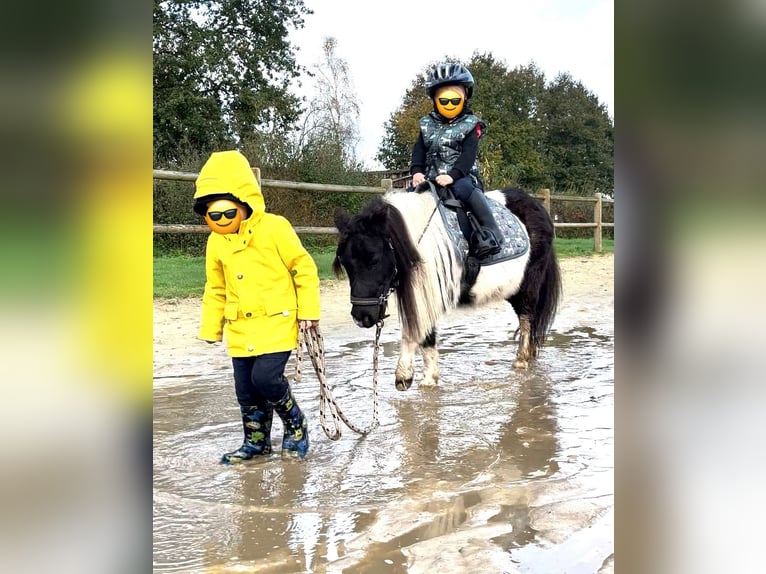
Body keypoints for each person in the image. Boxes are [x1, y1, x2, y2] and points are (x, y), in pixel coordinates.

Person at [192, 150, 320, 463]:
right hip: (240, 327)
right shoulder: (216, 243)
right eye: (214, 214)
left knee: (266, 379)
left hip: (277, 321)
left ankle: (296, 425)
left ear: (244, 202)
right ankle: (256, 442)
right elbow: (216, 287)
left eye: (227, 211)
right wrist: (211, 327)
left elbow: (303, 267)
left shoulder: (275, 228)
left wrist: (309, 311)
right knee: (245, 388)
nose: (221, 220)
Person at [410, 62, 502, 258]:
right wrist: (417, 171)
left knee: (465, 190)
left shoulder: (471, 125)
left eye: (455, 96)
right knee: (410, 199)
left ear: (465, 96)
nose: (449, 101)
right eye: (444, 97)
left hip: (461, 176)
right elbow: (418, 150)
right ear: (435, 99)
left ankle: (490, 231)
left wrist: (453, 176)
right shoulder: (426, 124)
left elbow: (468, 156)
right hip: (431, 178)